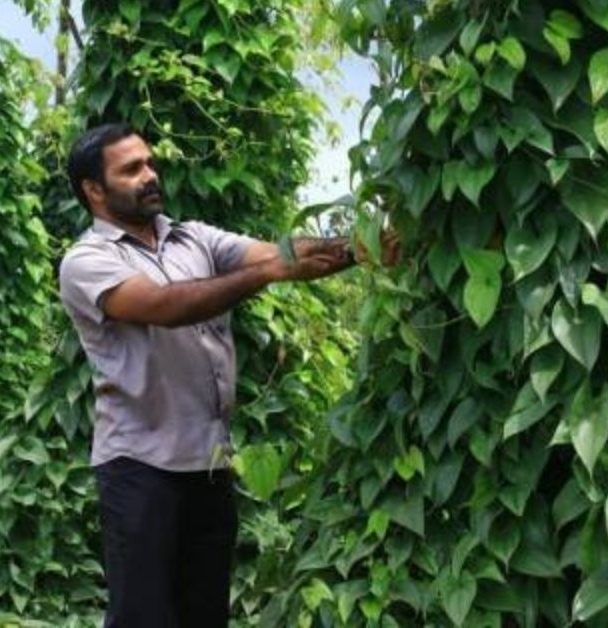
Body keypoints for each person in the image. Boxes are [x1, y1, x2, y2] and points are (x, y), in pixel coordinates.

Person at [58, 123, 399, 627]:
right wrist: (266, 274)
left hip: (208, 464)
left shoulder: (193, 237)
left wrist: (363, 246)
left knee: (204, 614)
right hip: (140, 468)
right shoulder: (88, 260)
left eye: (150, 163)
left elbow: (284, 254)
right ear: (94, 190)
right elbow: (162, 306)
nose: (150, 175)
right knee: (143, 618)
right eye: (131, 170)